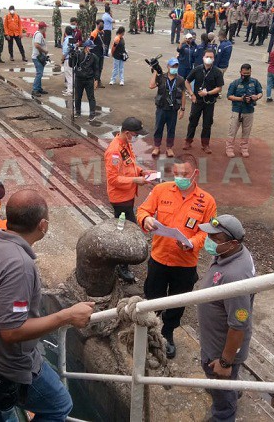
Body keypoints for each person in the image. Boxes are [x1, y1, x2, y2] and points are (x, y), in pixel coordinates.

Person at [0, 190, 95, 421]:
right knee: (59, 405)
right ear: (43, 225)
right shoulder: (20, 265)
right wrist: (66, 316)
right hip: (7, 363)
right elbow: (12, 330)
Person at [137, 155, 217, 358]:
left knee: (177, 301)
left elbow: (207, 232)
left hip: (185, 264)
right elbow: (143, 209)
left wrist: (192, 244)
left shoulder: (207, 201)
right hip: (159, 258)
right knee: (153, 297)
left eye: (185, 174)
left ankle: (168, 332)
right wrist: (145, 219)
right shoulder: (160, 190)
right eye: (177, 173)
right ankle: (151, 331)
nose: (180, 177)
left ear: (195, 174)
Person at [197, 214, 255, 422]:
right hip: (216, 337)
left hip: (220, 349)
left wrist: (224, 361)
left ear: (232, 243)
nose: (209, 241)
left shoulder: (235, 277)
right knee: (224, 382)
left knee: (221, 384)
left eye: (215, 239)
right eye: (209, 235)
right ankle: (228, 388)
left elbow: (238, 325)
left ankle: (223, 414)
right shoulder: (233, 253)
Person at [104, 117, 153, 282]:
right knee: (129, 230)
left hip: (128, 196)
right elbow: (113, 180)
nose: (137, 137)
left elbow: (130, 164)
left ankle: (117, 259)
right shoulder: (114, 151)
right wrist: (135, 180)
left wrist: (141, 172)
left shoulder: (125, 144)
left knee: (122, 227)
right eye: (135, 134)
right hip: (120, 199)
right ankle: (122, 266)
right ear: (127, 133)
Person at [183, 49, 224, 154]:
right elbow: (187, 81)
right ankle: (188, 141)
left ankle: (205, 144)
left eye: (211, 57)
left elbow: (219, 88)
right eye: (207, 56)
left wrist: (208, 93)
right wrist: (192, 94)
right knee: (193, 121)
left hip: (209, 102)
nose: (208, 59)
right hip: (197, 101)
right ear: (203, 57)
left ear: (214, 59)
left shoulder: (217, 72)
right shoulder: (197, 69)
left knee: (207, 124)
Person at [149, 59, 186, 158]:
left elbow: (183, 95)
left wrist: (182, 109)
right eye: (172, 66)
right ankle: (157, 147)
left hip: (173, 110)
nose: (174, 68)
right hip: (161, 108)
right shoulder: (161, 78)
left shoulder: (180, 80)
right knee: (158, 128)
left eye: (176, 66)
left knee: (171, 129)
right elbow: (151, 85)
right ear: (168, 66)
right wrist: (155, 72)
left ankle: (169, 148)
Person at [225, 64, 263, 158]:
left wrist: (256, 97)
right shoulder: (235, 83)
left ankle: (244, 148)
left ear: (250, 72)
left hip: (249, 110)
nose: (246, 74)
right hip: (237, 110)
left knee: (246, 131)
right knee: (233, 130)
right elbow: (229, 96)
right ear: (240, 72)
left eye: (248, 73)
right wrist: (240, 99)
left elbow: (260, 92)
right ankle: (229, 148)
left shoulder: (254, 82)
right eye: (244, 73)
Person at [73, 39, 98, 121]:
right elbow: (71, 65)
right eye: (90, 47)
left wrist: (96, 80)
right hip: (79, 79)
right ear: (86, 47)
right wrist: (72, 56)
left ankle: (92, 114)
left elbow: (96, 69)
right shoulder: (79, 55)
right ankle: (77, 111)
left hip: (89, 79)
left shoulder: (94, 57)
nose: (91, 49)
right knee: (78, 96)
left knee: (91, 97)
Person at [31, 21, 49, 97]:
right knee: (39, 74)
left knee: (40, 73)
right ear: (43, 27)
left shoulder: (38, 34)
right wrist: (44, 51)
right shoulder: (38, 35)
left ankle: (38, 88)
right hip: (37, 57)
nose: (46, 29)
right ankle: (35, 89)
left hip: (38, 56)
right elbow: (37, 45)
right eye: (45, 27)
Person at [89, 19, 106, 88]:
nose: (102, 26)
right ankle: (94, 81)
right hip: (95, 53)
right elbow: (90, 43)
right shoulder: (94, 33)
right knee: (95, 68)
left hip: (101, 53)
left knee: (100, 68)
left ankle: (98, 81)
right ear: (97, 25)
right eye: (101, 24)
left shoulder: (102, 32)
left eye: (103, 24)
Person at [61, 25, 75, 96]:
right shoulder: (72, 39)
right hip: (72, 58)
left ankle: (70, 90)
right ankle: (70, 89)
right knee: (71, 74)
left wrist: (62, 58)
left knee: (68, 74)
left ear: (65, 32)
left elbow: (66, 51)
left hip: (67, 59)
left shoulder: (66, 40)